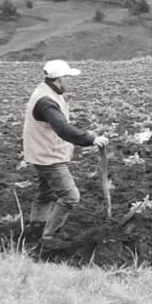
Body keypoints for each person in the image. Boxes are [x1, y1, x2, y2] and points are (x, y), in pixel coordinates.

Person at [23, 59, 108, 242]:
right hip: (47, 156)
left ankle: (37, 226)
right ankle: (49, 237)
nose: (69, 81)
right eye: (67, 77)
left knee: (46, 192)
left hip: (40, 152)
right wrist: (91, 139)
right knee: (70, 196)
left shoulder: (48, 91)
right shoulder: (46, 101)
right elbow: (62, 129)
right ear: (59, 78)